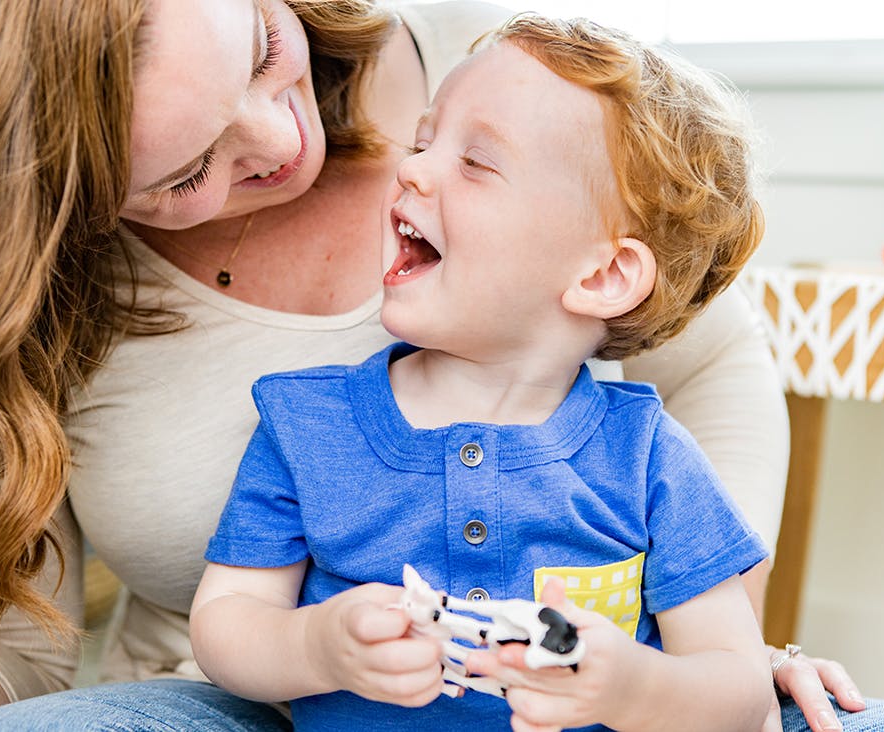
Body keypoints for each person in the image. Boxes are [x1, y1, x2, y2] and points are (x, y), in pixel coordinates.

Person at [0, 0, 884, 730]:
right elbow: (8, 634)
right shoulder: (301, 418)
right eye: (182, 170)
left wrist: (683, 659)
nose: (284, 141)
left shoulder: (521, 87)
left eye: (266, 55)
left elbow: (712, 367)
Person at [190, 14, 774, 731]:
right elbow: (225, 621)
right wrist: (316, 647)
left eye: (476, 162)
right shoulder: (308, 427)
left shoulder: (649, 456)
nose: (410, 168)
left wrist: (633, 688)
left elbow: (742, 690)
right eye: (424, 139)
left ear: (605, 274)